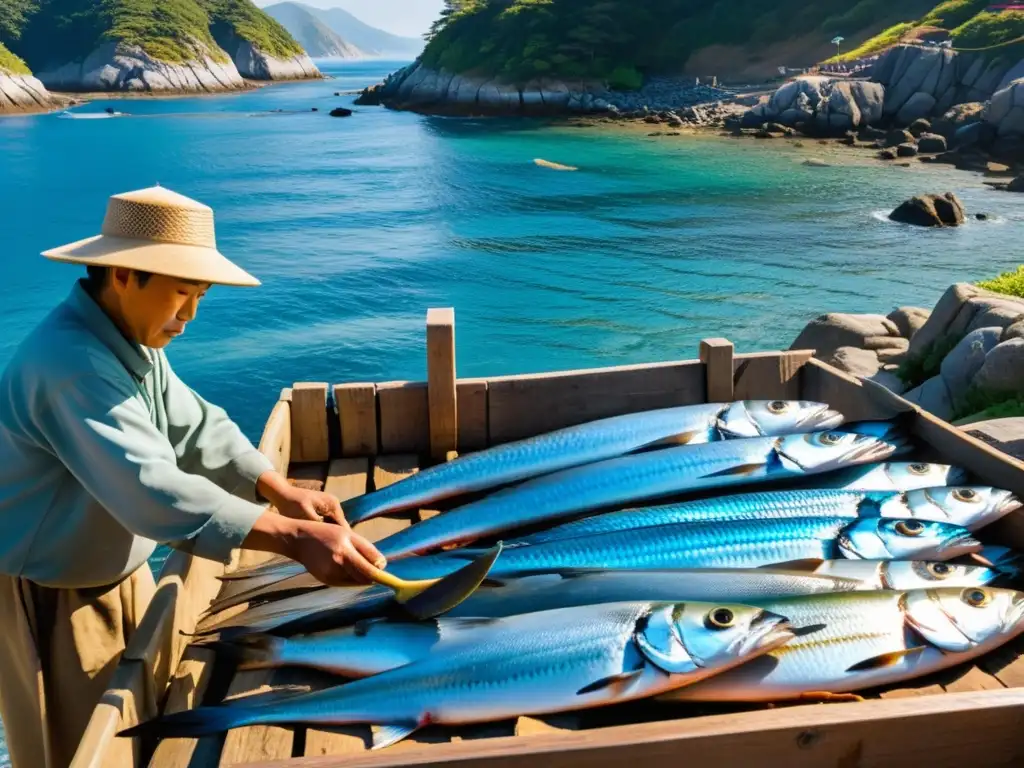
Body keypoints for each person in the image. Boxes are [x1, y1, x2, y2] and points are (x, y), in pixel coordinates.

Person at [0, 185, 387, 768]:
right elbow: (150, 487)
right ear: (125, 275)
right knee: (78, 749)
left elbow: (195, 425)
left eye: (200, 296)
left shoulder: (125, 340)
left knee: (134, 727)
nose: (189, 316)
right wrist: (294, 537)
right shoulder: (70, 365)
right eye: (181, 293)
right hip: (54, 595)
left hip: (111, 567)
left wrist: (278, 490)